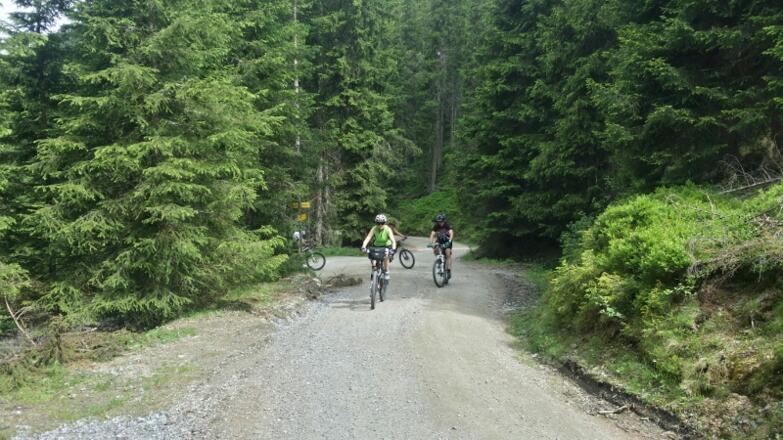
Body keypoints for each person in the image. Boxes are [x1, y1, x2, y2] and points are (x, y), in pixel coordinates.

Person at [361, 214, 397, 280]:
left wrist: (393, 249)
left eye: (382, 223)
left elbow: (393, 240)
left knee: (386, 256)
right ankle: (374, 270)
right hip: (376, 245)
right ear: (376, 223)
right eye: (378, 223)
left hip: (386, 245)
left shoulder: (388, 229)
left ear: (385, 223)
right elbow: (368, 238)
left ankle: (386, 271)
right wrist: (363, 246)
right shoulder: (374, 228)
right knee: (372, 257)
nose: (380, 225)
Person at [429, 213, 453, 279]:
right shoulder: (436, 226)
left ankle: (448, 270)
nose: (440, 223)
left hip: (447, 241)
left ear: (444, 220)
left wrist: (450, 240)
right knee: (435, 249)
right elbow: (432, 234)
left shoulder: (447, 225)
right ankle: (439, 261)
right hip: (439, 241)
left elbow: (451, 232)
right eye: (439, 222)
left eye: (441, 221)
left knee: (448, 253)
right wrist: (431, 243)